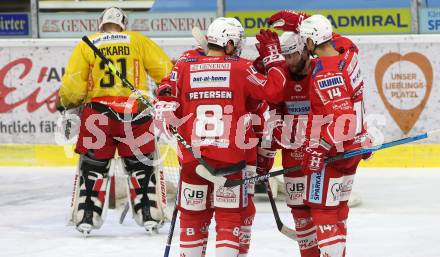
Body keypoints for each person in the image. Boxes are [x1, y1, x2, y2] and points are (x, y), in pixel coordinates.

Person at [155, 17, 286, 257]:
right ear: (228, 44)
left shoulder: (185, 63)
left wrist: (164, 103)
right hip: (229, 162)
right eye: (235, 45)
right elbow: (275, 91)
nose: (237, 49)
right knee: (229, 220)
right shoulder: (241, 67)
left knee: (193, 221)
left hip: (193, 161)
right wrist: (272, 58)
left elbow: (167, 93)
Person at [57, 6, 173, 234]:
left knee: (93, 167)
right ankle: (149, 213)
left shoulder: (87, 43)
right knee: (141, 166)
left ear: (100, 23)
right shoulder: (137, 40)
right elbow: (166, 72)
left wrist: (67, 103)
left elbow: (73, 84)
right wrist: (169, 95)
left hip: (98, 115)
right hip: (135, 112)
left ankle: (86, 216)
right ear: (124, 23)